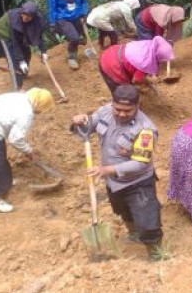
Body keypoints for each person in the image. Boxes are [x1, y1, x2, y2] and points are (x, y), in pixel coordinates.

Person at [70, 85, 166, 261]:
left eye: (127, 110)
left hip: (137, 183)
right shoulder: (106, 111)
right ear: (112, 104)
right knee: (123, 210)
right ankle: (134, 234)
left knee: (147, 221)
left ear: (137, 106)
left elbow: (140, 163)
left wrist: (107, 170)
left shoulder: (145, 130)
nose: (121, 114)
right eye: (118, 109)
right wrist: (82, 122)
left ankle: (156, 253)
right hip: (114, 182)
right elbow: (87, 129)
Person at [0, 1, 48, 89]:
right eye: (24, 14)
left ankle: (24, 74)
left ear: (34, 16)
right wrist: (21, 61)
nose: (25, 17)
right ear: (21, 12)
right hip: (4, 31)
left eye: (28, 16)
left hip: (20, 31)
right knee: (15, 61)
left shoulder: (38, 21)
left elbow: (38, 36)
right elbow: (15, 43)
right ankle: (18, 87)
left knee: (27, 53)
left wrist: (43, 51)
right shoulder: (15, 21)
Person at [47, 0, 90, 70]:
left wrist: (84, 13)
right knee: (74, 38)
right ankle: (72, 57)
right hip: (63, 18)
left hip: (77, 16)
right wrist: (52, 22)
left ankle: (76, 41)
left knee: (81, 38)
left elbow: (84, 1)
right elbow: (52, 8)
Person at [98, 36, 174, 93]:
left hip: (112, 52)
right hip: (111, 65)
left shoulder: (149, 45)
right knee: (122, 94)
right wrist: (147, 83)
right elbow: (136, 80)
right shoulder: (145, 62)